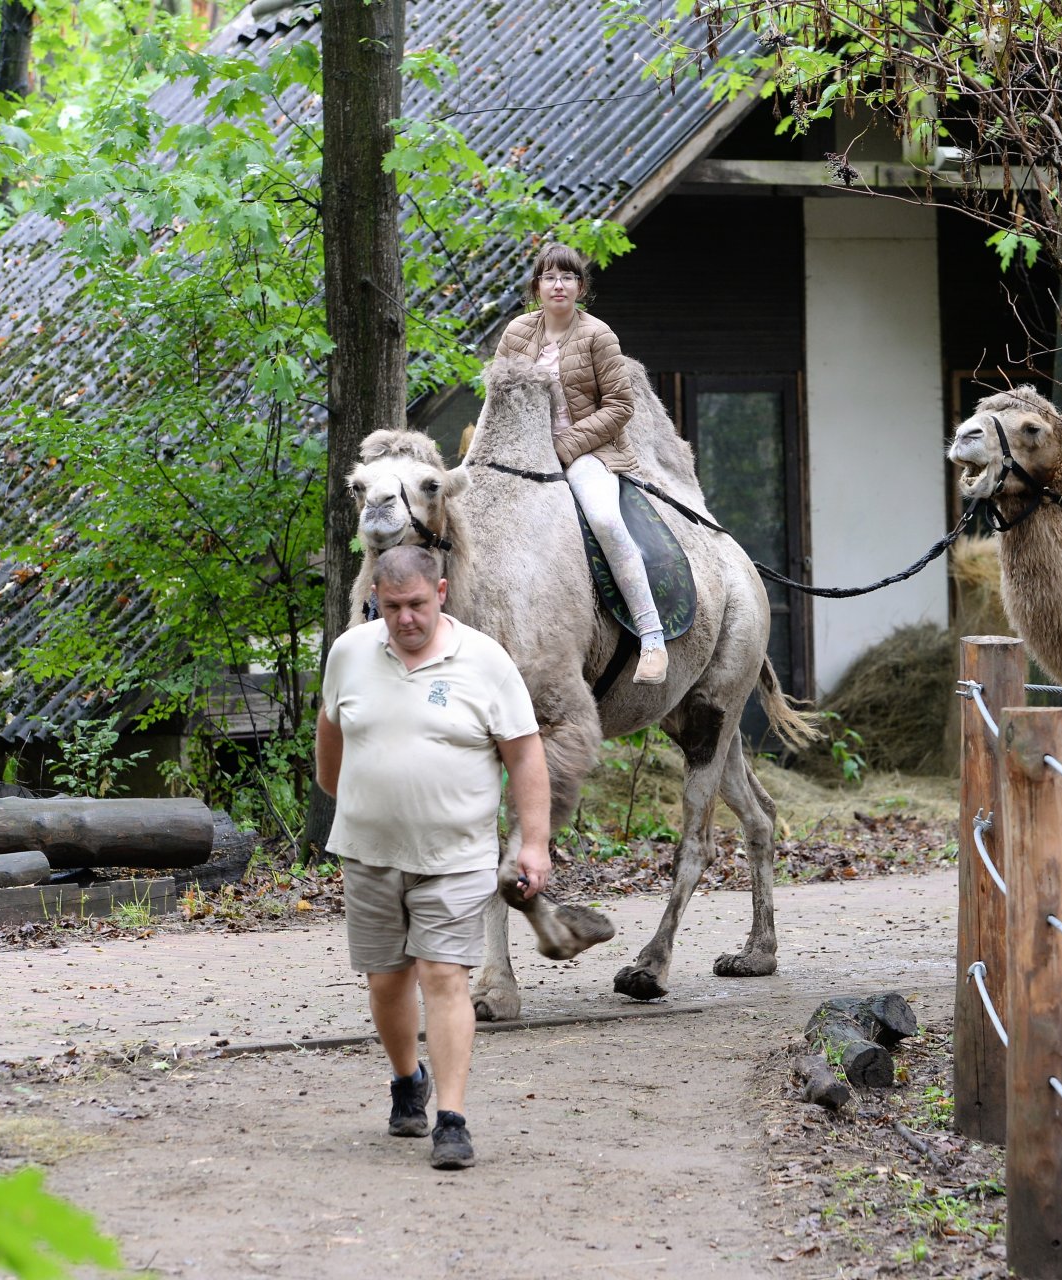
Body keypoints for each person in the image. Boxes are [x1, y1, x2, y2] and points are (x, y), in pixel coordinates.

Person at [315, 544, 552, 1171]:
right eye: (391, 607)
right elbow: (330, 733)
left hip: (455, 854)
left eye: (417, 604)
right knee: (386, 979)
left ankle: (452, 1118)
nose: (405, 619)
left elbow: (525, 754)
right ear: (376, 601)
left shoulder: (484, 661)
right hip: (368, 852)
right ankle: (405, 1080)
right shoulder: (349, 653)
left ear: (440, 593)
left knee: (443, 976)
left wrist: (533, 843)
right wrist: (353, 798)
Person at [495, 243, 668, 685]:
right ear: (536, 287)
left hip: (590, 453)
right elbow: (499, 400)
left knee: (606, 521)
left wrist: (567, 446)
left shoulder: (598, 335)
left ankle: (652, 638)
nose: (559, 284)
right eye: (550, 277)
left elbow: (619, 406)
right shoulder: (516, 333)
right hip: (523, 456)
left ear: (581, 287)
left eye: (568, 277)